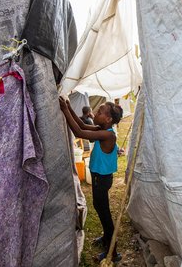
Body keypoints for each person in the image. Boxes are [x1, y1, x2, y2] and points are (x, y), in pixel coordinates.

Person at [58, 96, 123, 262]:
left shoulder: (108, 135)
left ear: (108, 119)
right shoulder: (102, 130)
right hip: (99, 178)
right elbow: (81, 125)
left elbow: (79, 132)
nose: (95, 113)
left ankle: (112, 252)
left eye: (100, 112)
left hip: (101, 179)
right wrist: (69, 107)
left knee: (105, 213)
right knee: (99, 207)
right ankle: (106, 238)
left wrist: (65, 111)